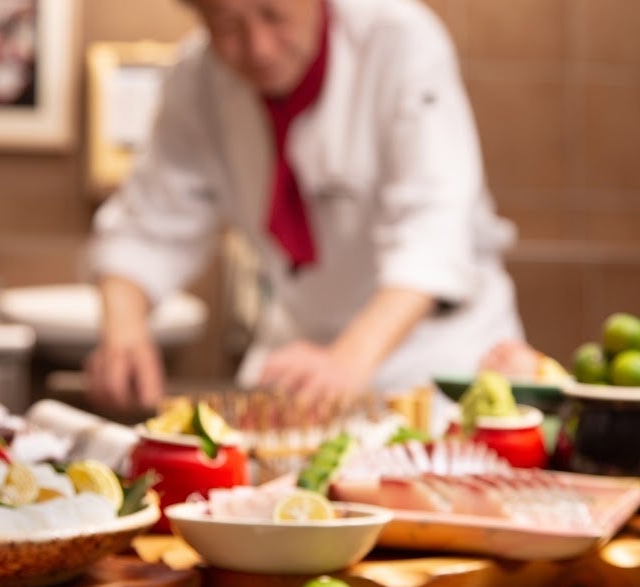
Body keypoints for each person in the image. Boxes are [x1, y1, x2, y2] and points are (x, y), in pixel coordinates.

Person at [85, 0, 524, 412]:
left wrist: (348, 360)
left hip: (436, 355)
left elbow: (433, 228)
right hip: (301, 354)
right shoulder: (196, 81)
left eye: (274, 14)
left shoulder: (399, 39)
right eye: (228, 26)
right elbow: (147, 226)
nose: (259, 48)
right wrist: (125, 330)